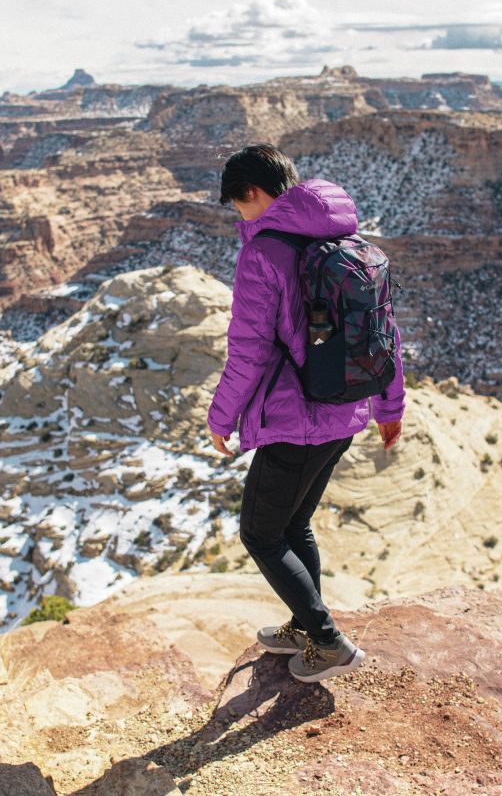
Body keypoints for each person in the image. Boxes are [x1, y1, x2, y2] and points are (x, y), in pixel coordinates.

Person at [207, 144, 405, 684]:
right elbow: (386, 332)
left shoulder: (263, 253)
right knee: (295, 523)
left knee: (260, 533)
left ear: (251, 194)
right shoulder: (349, 241)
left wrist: (221, 416)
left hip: (297, 420)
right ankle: (301, 625)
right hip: (346, 412)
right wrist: (390, 404)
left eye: (237, 206)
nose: (239, 218)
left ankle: (327, 639)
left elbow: (248, 349)